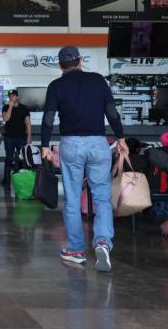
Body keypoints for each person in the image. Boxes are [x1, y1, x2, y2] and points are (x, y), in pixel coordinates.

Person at [41, 46, 125, 272]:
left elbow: (49, 118)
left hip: (71, 144)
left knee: (72, 199)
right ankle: (102, 241)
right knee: (101, 197)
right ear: (80, 61)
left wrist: (45, 145)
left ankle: (76, 250)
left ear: (60, 65)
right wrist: (121, 136)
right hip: (98, 143)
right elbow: (111, 112)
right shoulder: (98, 80)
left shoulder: (56, 85)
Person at [1, 90, 32, 184]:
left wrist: (29, 137)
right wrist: (10, 106)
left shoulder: (24, 108)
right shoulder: (6, 107)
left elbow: (28, 123)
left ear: (17, 97)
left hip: (21, 137)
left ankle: (21, 177)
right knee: (9, 157)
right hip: (9, 137)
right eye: (10, 96)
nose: (11, 97)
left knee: (22, 158)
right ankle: (6, 179)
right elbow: (6, 119)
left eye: (13, 96)